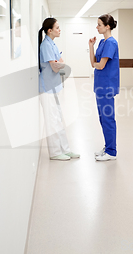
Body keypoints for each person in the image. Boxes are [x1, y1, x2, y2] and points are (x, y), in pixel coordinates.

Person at [38, 17, 80, 161]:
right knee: (52, 121)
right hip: (46, 87)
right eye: (57, 28)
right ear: (50, 30)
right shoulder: (45, 45)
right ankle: (55, 152)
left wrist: (59, 64)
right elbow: (56, 67)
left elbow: (59, 63)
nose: (59, 30)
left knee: (59, 119)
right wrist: (59, 64)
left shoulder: (52, 44)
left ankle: (65, 149)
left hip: (54, 86)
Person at [88, 14, 119, 161]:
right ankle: (107, 147)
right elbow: (93, 62)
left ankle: (111, 152)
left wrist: (96, 65)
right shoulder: (102, 42)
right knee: (102, 119)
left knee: (108, 119)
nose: (97, 27)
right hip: (100, 86)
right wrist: (91, 46)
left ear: (107, 26)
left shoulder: (111, 43)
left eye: (99, 24)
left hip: (107, 87)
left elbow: (100, 65)